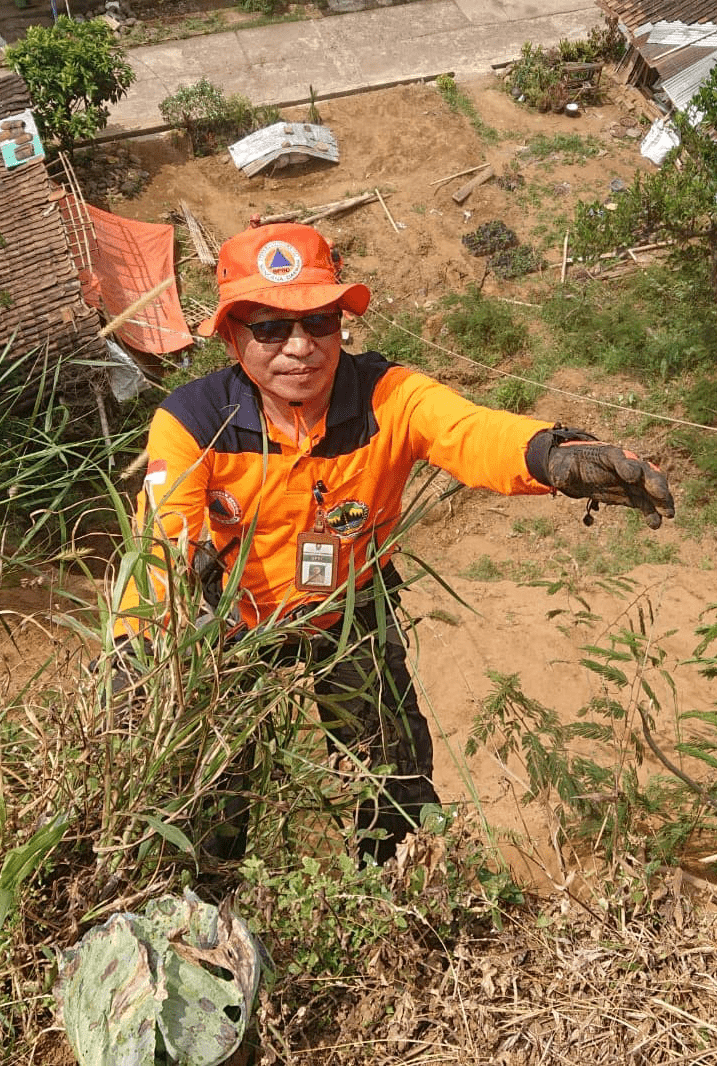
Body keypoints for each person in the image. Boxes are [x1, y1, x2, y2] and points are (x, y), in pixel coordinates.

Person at [114, 222, 675, 866]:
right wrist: (152, 658)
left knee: (395, 774)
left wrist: (552, 454)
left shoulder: (390, 396)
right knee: (211, 790)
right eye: (271, 327)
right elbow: (164, 543)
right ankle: (207, 906)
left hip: (349, 606)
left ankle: (395, 898)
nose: (299, 347)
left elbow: (470, 432)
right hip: (232, 622)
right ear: (233, 334)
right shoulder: (193, 421)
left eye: (319, 323)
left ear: (340, 326)